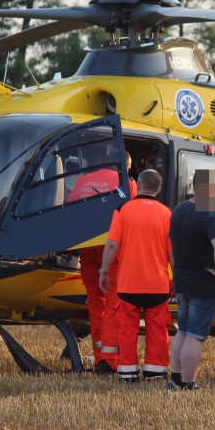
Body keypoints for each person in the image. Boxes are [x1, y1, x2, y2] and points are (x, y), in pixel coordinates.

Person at [99, 169, 172, 383]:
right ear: (158, 189)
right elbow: (172, 252)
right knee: (158, 330)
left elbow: (112, 244)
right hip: (157, 284)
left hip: (128, 283)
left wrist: (104, 271)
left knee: (127, 330)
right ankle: (156, 371)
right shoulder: (166, 213)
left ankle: (128, 372)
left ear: (137, 185)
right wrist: (175, 277)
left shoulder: (123, 209)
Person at [70, 148, 137, 372]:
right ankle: (109, 360)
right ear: (124, 165)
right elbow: (132, 212)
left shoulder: (83, 181)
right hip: (113, 246)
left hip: (87, 246)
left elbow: (69, 208)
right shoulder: (127, 182)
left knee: (95, 301)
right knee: (113, 302)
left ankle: (99, 354)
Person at [168, 170, 215, 390]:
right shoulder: (210, 214)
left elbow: (171, 245)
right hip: (203, 281)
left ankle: (174, 378)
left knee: (182, 331)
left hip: (182, 278)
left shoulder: (179, 210)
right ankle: (189, 383)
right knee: (195, 335)